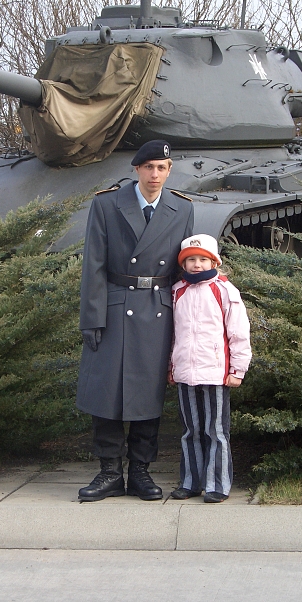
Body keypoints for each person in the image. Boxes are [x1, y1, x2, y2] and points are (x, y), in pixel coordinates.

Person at [76, 140, 194, 502]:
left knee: (147, 394)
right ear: (136, 169)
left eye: (162, 167)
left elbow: (185, 266)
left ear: (169, 170)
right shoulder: (107, 204)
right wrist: (91, 319)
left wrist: (190, 321)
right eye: (148, 168)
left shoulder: (182, 208)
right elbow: (93, 264)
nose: (155, 175)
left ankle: (140, 471)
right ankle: (109, 471)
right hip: (113, 305)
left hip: (158, 308)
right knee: (106, 392)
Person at [169, 234, 251, 503]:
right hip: (185, 373)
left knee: (215, 431)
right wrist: (171, 365)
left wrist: (237, 369)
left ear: (214, 261)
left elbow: (238, 332)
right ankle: (191, 481)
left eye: (203, 259)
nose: (197, 265)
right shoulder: (177, 290)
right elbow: (172, 333)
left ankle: (218, 484)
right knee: (190, 430)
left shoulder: (224, 290)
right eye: (191, 260)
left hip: (216, 373)